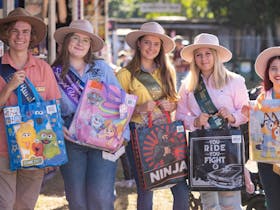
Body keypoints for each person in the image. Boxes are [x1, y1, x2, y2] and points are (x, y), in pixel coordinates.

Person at [52, 19, 128, 210]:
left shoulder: (101, 68)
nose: (80, 43)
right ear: (66, 41)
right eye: (75, 38)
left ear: (90, 46)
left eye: (85, 40)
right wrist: (57, 126)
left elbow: (121, 102)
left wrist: (122, 136)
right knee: (76, 199)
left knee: (101, 197)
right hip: (71, 141)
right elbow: (48, 107)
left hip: (102, 137)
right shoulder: (54, 73)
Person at [116, 21, 189, 210]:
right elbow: (116, 110)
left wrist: (170, 105)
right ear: (139, 44)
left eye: (156, 44)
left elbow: (175, 101)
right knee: (145, 187)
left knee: (180, 185)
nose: (151, 48)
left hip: (166, 134)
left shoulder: (167, 71)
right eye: (147, 42)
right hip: (138, 134)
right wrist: (140, 108)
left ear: (161, 47)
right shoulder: (125, 75)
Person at [175, 33, 249, 209]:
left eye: (208, 53)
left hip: (228, 146)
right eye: (199, 54)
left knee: (230, 200)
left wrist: (232, 117)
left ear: (215, 56)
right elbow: (179, 118)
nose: (203, 58)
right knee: (208, 201)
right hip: (201, 149)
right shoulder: (188, 85)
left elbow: (246, 113)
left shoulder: (235, 81)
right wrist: (195, 121)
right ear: (194, 59)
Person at [0, 8, 61, 210]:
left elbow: (54, 109)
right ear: (7, 34)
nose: (20, 36)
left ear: (31, 36)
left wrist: (52, 151)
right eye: (15, 31)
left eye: (25, 31)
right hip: (2, 150)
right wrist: (9, 87)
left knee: (25, 205)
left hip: (35, 149)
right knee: (5, 204)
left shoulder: (43, 69)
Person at [243, 46, 280, 210]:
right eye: (274, 68)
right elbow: (258, 127)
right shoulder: (261, 98)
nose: (278, 72)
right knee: (273, 203)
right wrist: (248, 114)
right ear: (268, 73)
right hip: (267, 160)